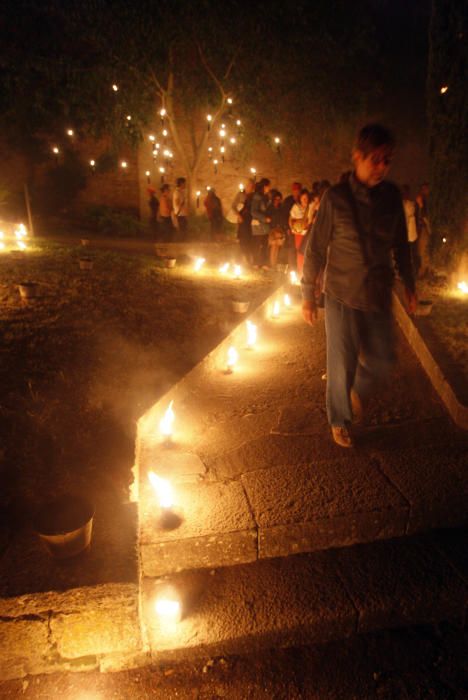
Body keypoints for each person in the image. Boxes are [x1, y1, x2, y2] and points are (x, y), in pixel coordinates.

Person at [302, 123, 417, 448]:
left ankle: (355, 393)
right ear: (358, 157)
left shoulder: (392, 197)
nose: (382, 167)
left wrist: (409, 282)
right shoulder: (335, 199)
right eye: (376, 159)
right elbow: (316, 248)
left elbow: (401, 245)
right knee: (342, 364)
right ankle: (339, 420)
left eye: (387, 160)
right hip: (340, 294)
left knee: (383, 358)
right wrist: (307, 293)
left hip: (378, 293)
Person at [289, 188, 313, 274]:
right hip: (298, 234)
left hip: (308, 233)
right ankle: (300, 272)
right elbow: (291, 219)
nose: (305, 200)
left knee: (307, 253)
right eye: (303, 199)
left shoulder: (311, 207)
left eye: (307, 198)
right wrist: (293, 228)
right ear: (300, 199)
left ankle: (306, 273)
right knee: (300, 252)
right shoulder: (296, 207)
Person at [251, 178, 272, 269]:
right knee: (257, 244)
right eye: (268, 186)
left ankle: (263, 263)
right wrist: (264, 218)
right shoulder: (257, 197)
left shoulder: (265, 196)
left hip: (265, 226)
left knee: (264, 244)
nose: (269, 188)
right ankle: (256, 262)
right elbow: (253, 211)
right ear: (264, 186)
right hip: (259, 225)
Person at [282, 182, 302, 271]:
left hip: (300, 229)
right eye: (295, 190)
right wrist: (287, 227)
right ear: (293, 191)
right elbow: (285, 215)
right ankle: (292, 267)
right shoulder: (288, 201)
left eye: (298, 190)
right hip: (290, 228)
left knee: (299, 248)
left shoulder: (301, 200)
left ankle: (298, 266)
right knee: (292, 247)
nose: (297, 192)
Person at [401, 184, 419, 276]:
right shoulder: (401, 204)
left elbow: (410, 213)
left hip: (411, 234)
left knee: (413, 254)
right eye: (403, 192)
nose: (404, 194)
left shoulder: (411, 204)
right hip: (404, 234)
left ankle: (414, 272)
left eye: (405, 192)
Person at [267, 190, 287, 268]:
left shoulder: (282, 208)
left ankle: (275, 264)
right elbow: (268, 219)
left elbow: (283, 219)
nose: (277, 201)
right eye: (276, 199)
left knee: (278, 247)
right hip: (272, 230)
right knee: (273, 246)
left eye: (279, 199)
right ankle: (272, 264)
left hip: (280, 230)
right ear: (273, 199)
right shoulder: (270, 208)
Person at [415, 182, 430, 277]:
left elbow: (425, 215)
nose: (423, 191)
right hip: (420, 228)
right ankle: (424, 269)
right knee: (420, 248)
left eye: (425, 189)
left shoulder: (427, 202)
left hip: (426, 228)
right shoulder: (421, 202)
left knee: (423, 248)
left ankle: (424, 270)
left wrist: (421, 205)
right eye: (422, 189)